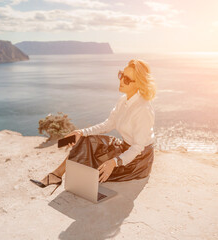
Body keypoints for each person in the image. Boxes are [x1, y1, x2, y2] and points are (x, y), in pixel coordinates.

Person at [30, 59, 157, 195]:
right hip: (123, 148)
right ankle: (56, 175)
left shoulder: (143, 109)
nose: (121, 81)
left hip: (137, 160)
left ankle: (63, 176)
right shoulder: (123, 101)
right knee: (84, 141)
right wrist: (82, 132)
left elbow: (138, 147)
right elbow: (109, 124)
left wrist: (114, 162)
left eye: (126, 79)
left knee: (92, 172)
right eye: (121, 75)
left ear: (138, 83)